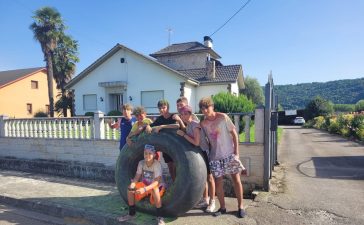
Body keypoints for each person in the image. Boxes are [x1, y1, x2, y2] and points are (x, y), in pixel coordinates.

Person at [199, 97, 246, 218]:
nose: (205, 110)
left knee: (236, 179)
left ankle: (240, 207)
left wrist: (236, 153)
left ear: (212, 106)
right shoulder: (203, 124)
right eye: (202, 108)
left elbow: (234, 134)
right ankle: (223, 207)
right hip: (215, 157)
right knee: (218, 183)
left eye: (207, 107)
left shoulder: (223, 117)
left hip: (229, 154)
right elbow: (204, 141)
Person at [176, 105, 216, 213]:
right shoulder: (188, 125)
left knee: (209, 177)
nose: (183, 116)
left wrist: (183, 134)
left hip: (204, 152)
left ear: (190, 114)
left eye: (186, 114)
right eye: (182, 114)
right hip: (198, 154)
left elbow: (196, 142)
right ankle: (205, 200)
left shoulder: (194, 124)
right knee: (203, 178)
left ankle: (212, 202)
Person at [117, 144, 166, 225]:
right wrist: (133, 184)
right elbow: (137, 177)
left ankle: (160, 217)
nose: (147, 155)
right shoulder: (141, 163)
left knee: (155, 189)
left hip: (156, 186)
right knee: (130, 188)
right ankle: (131, 214)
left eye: (150, 153)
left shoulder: (157, 164)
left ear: (154, 155)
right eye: (145, 153)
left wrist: (144, 189)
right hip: (145, 185)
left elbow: (156, 182)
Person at [145, 99, 183, 181]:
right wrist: (148, 126)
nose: (162, 110)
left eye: (164, 107)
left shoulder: (173, 116)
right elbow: (151, 125)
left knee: (177, 166)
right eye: (160, 108)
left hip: (176, 145)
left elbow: (177, 126)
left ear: (168, 108)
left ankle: (179, 183)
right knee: (170, 167)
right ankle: (174, 182)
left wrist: (162, 126)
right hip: (166, 147)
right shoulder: (159, 119)